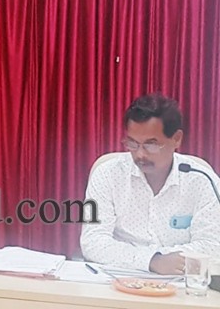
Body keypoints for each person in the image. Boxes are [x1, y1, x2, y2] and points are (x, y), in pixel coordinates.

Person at [80, 93, 220, 274]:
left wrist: (167, 261)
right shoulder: (108, 174)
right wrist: (152, 261)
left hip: (179, 281)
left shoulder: (202, 179)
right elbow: (93, 242)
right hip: (117, 279)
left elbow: (212, 245)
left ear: (176, 139)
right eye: (132, 144)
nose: (140, 154)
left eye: (151, 145)